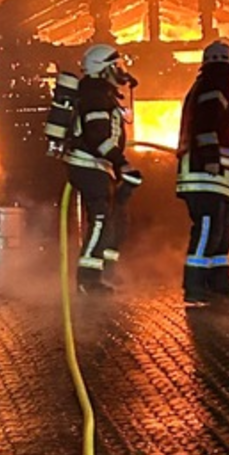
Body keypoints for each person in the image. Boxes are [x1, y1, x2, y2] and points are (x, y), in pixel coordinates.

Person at [175, 40, 229, 305]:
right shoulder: (212, 88)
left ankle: (220, 282)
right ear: (224, 68)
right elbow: (205, 129)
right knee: (208, 229)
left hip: (220, 178)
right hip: (204, 175)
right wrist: (210, 160)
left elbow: (217, 128)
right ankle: (195, 285)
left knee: (221, 232)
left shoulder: (216, 91)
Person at [66, 43, 142, 294]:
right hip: (88, 165)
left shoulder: (102, 94)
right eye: (115, 66)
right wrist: (122, 163)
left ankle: (105, 273)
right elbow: (97, 136)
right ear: (103, 69)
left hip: (100, 166)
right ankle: (87, 279)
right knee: (99, 220)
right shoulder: (95, 96)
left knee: (114, 220)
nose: (120, 71)